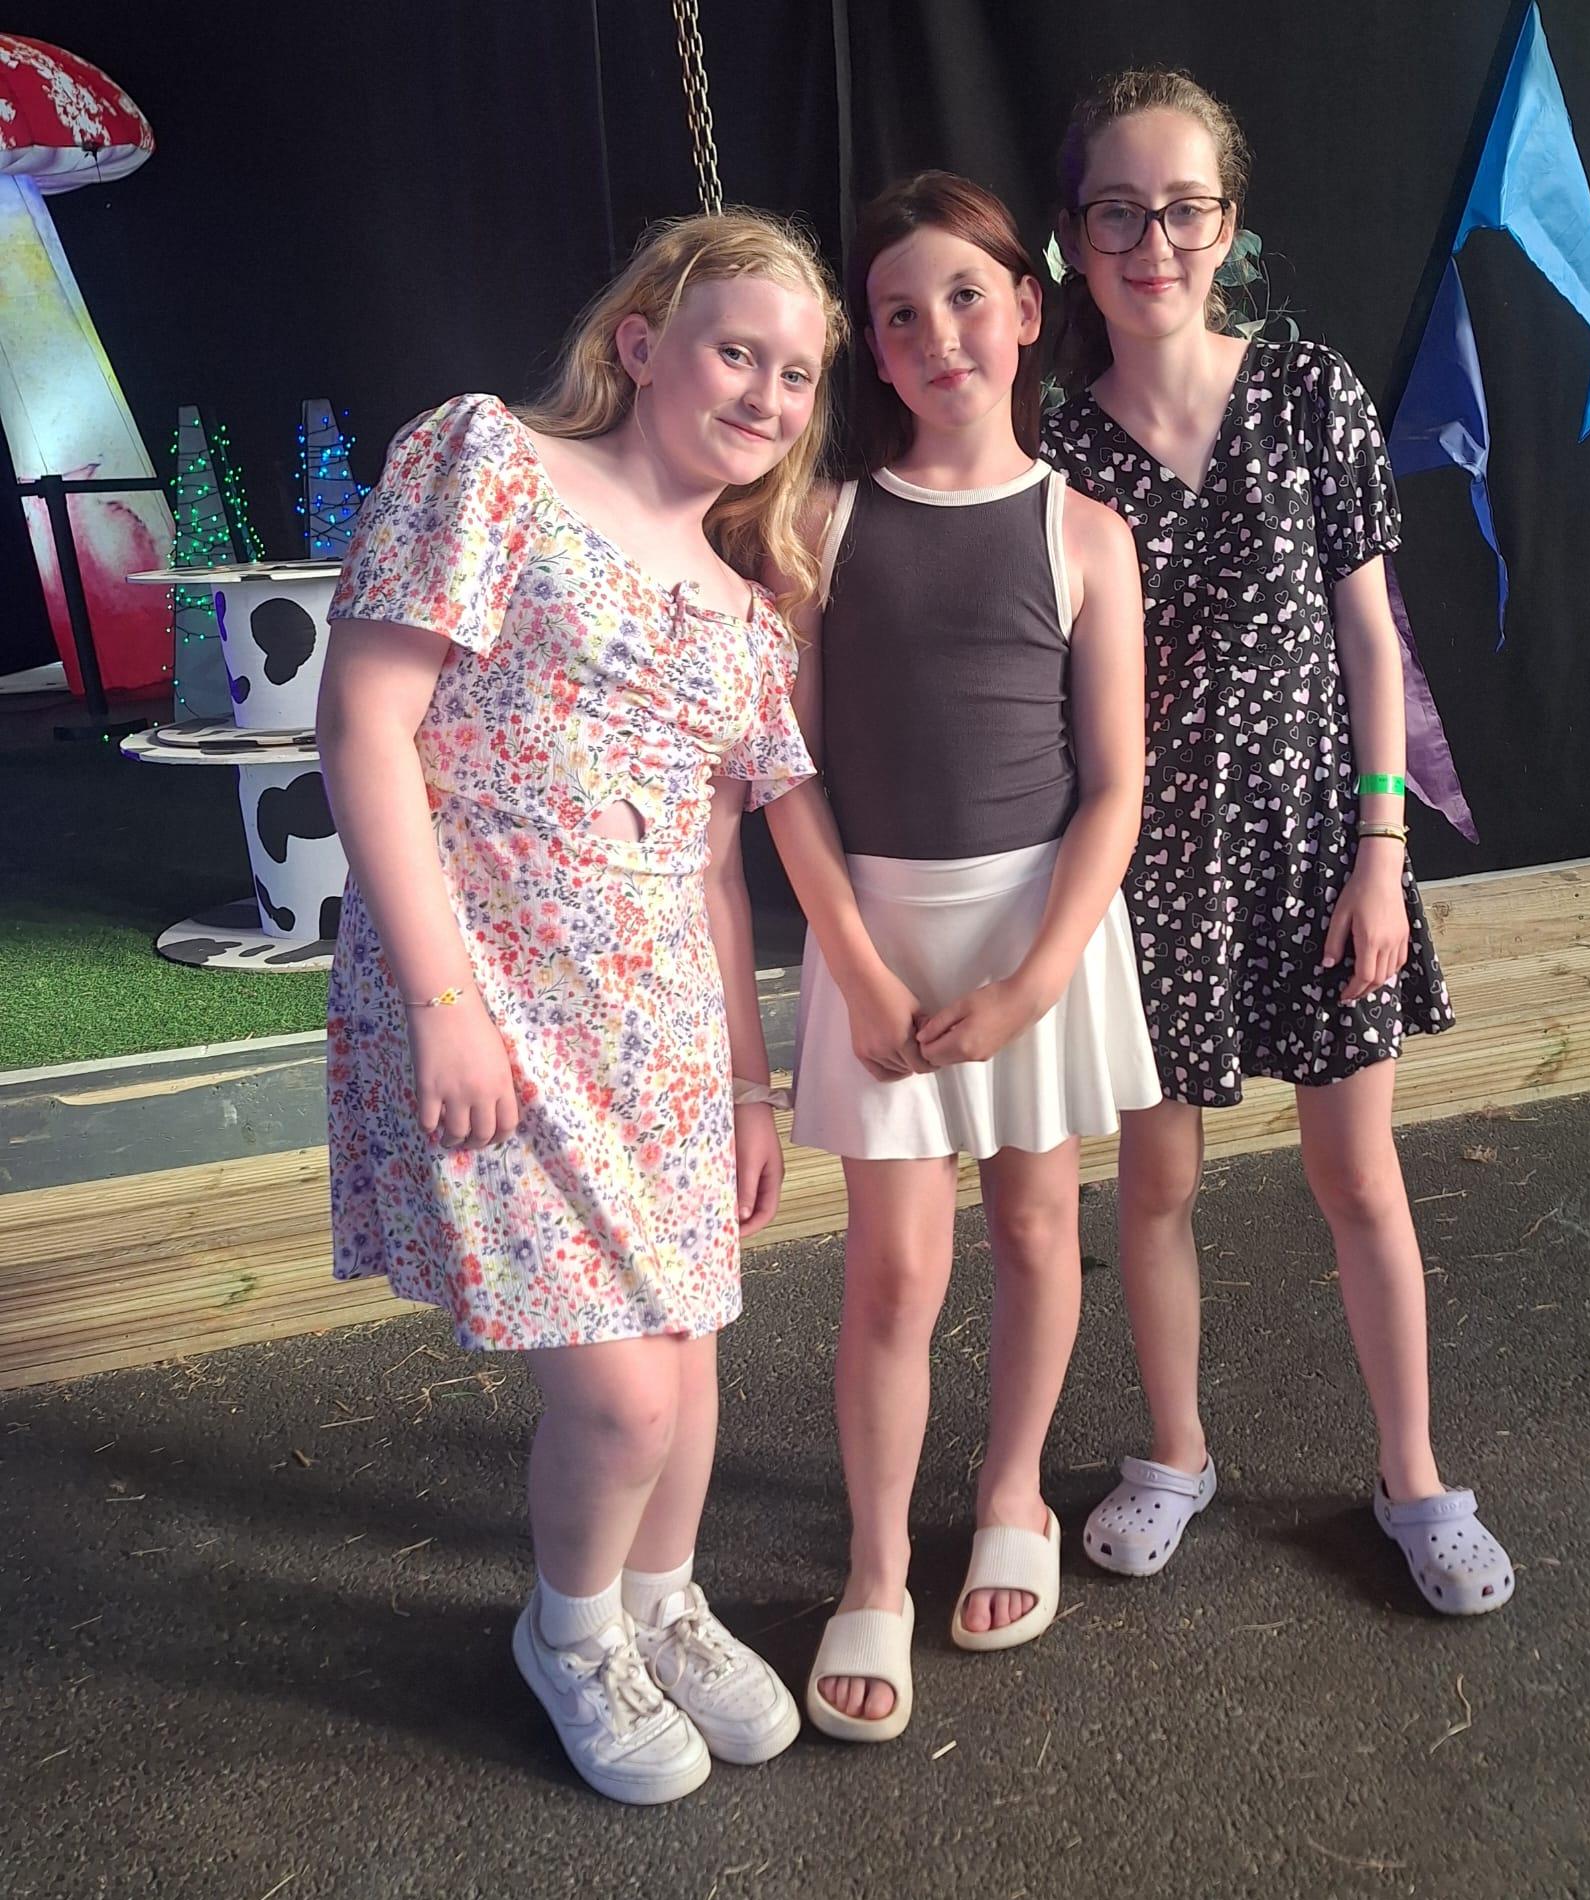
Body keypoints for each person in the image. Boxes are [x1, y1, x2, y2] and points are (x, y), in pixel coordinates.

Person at [318, 211, 844, 1803]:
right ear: (642, 341)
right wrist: (443, 1004)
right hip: (499, 1009)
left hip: (659, 1038)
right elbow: (365, 725)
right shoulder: (492, 468)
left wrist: (746, 1087)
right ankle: (569, 1633)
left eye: (797, 374)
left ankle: (657, 1602)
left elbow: (713, 869)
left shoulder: (745, 610)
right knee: (618, 1397)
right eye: (736, 350)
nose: (765, 394)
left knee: (687, 1357)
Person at [1039, 71, 1513, 1615]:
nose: (1152, 243)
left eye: (1183, 210)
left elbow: (1374, 638)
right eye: (1119, 212)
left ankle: (1416, 1478)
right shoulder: (1056, 447)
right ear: (1076, 237)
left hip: (1322, 850)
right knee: (1155, 1184)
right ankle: (1174, 1453)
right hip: (1152, 870)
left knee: (1358, 1176)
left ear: (1228, 224)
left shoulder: (1311, 392)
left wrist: (1383, 850)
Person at [763, 172, 1154, 1741]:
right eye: (902, 315)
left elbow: (1114, 785)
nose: (939, 336)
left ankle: (1012, 1494)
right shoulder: (822, 525)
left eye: (967, 298)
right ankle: (873, 1567)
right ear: (871, 347)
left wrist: (1038, 980)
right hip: (878, 934)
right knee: (894, 1269)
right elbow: (783, 771)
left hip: (1034, 934)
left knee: (1039, 1226)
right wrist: (856, 968)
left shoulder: (1085, 531)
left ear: (1028, 311)